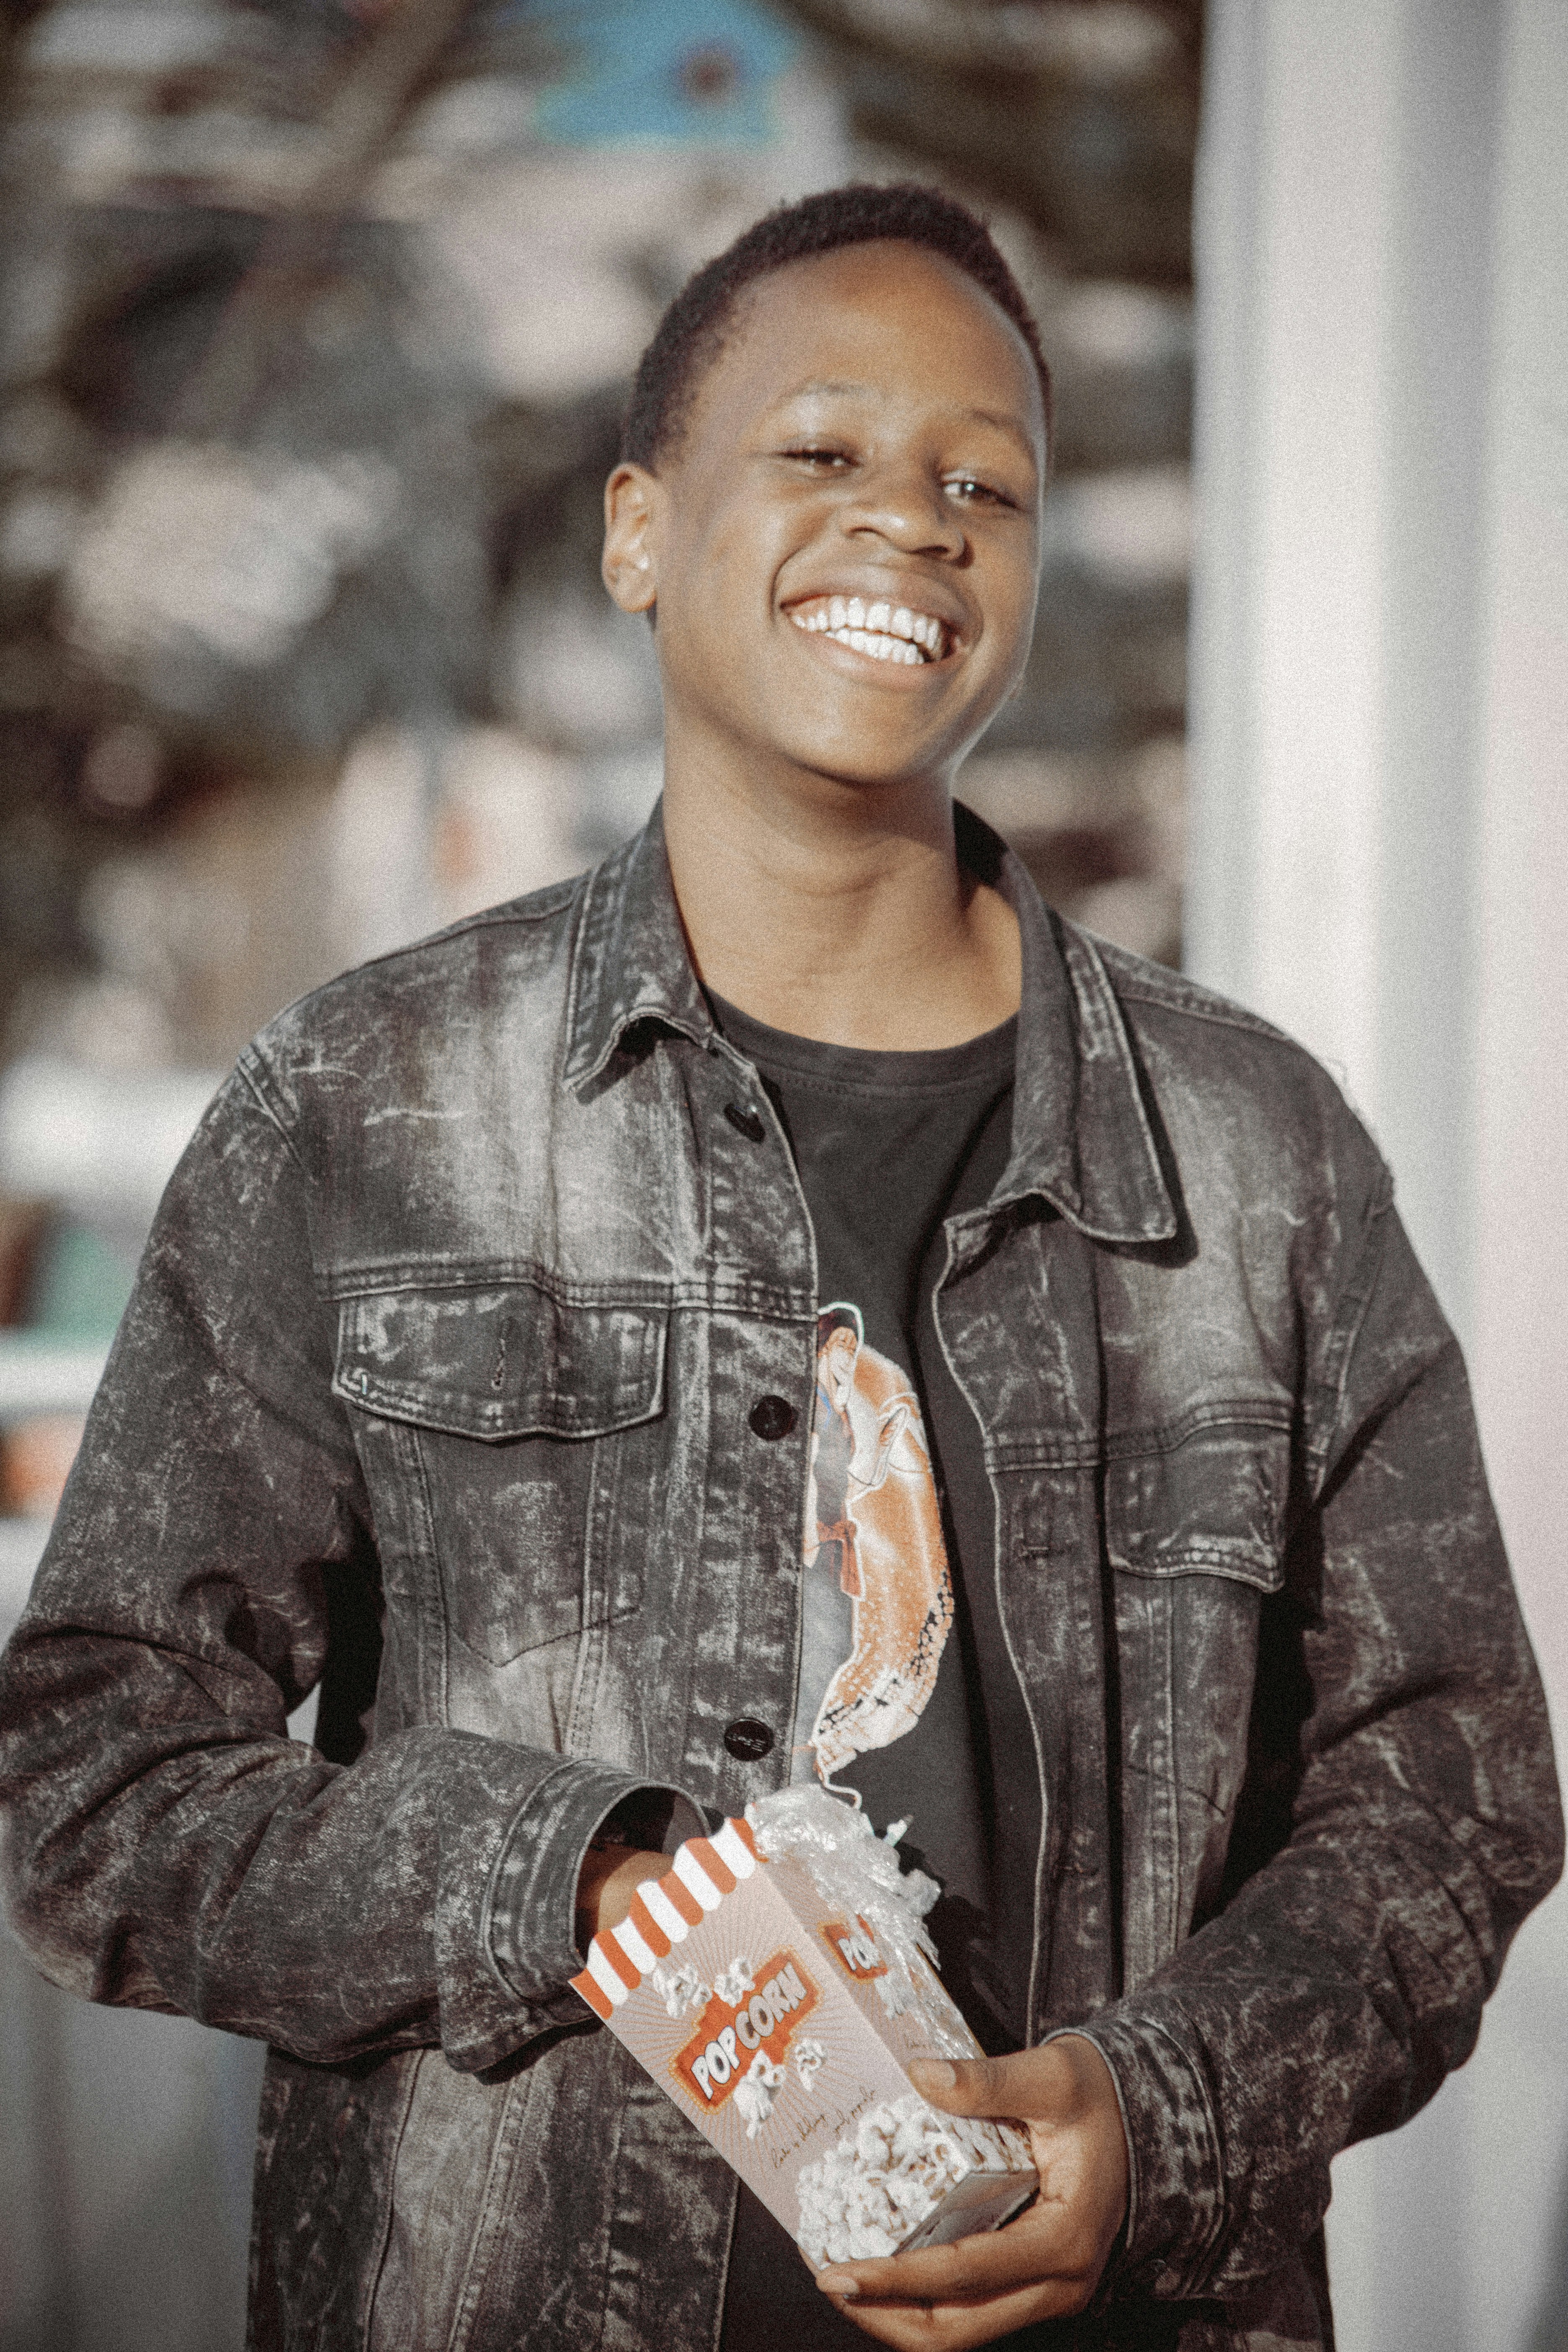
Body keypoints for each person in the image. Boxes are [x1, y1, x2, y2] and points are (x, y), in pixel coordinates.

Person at [0, 182, 1559, 2352]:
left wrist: (1159, 2111)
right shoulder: (366, 1108)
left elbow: (1454, 1794)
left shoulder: (1260, 1153)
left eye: (983, 481)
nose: (913, 522)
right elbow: (96, 1785)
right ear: (640, 531)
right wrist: (578, 1883)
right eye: (824, 453)